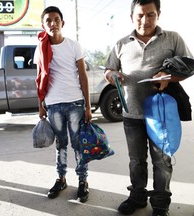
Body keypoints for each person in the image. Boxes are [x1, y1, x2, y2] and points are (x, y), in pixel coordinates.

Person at [104, 1, 193, 215]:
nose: (145, 20)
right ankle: (137, 196)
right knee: (136, 161)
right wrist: (112, 75)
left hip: (160, 115)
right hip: (131, 114)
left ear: (159, 14)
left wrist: (168, 77)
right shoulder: (121, 44)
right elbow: (108, 70)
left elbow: (189, 66)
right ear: (131, 16)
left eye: (151, 15)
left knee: (162, 162)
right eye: (140, 15)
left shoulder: (173, 38)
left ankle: (161, 203)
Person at [34, 6, 92, 202]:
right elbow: (39, 77)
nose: (52, 23)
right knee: (61, 144)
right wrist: (41, 104)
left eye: (56, 19)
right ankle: (61, 178)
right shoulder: (41, 48)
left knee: (77, 144)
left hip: (75, 102)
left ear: (62, 23)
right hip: (53, 103)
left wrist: (88, 106)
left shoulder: (74, 46)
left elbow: (83, 76)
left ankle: (83, 181)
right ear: (43, 25)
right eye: (48, 20)